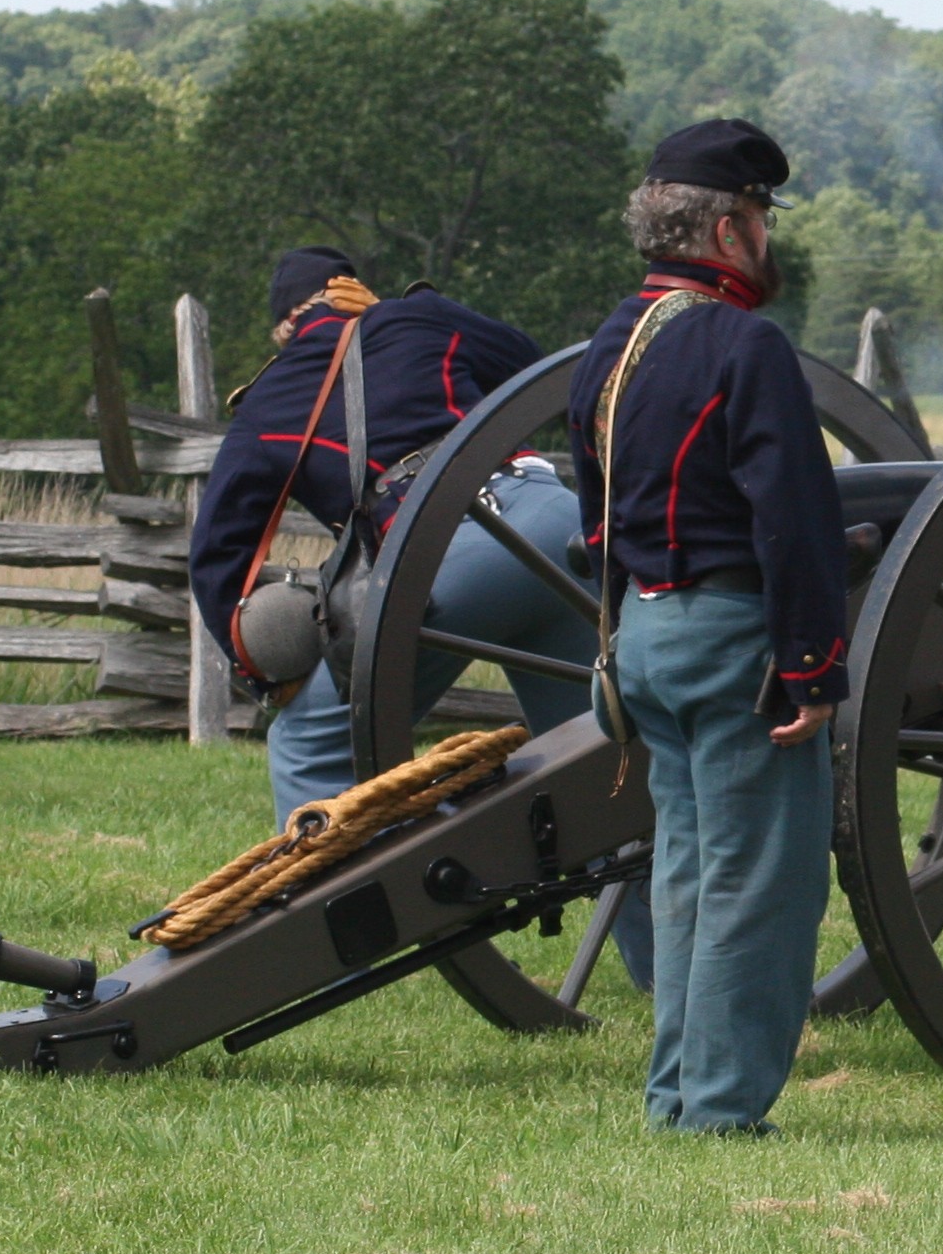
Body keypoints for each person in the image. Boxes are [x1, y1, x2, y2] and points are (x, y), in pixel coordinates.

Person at [187, 248, 646, 989]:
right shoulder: (422, 319)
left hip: (446, 556)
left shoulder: (268, 405)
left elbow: (218, 558)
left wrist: (258, 674)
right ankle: (664, 967)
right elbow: (536, 373)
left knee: (309, 740)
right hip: (555, 528)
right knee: (606, 764)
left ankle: (324, 948)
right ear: (353, 293)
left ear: (283, 328)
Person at [567, 120, 853, 1137]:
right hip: (735, 637)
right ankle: (720, 1112)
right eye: (763, 217)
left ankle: (678, 1094)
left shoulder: (614, 341)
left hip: (646, 635)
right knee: (759, 888)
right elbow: (793, 515)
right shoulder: (742, 342)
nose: (768, 236)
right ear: (730, 228)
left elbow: (591, 503)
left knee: (689, 878)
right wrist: (814, 663)